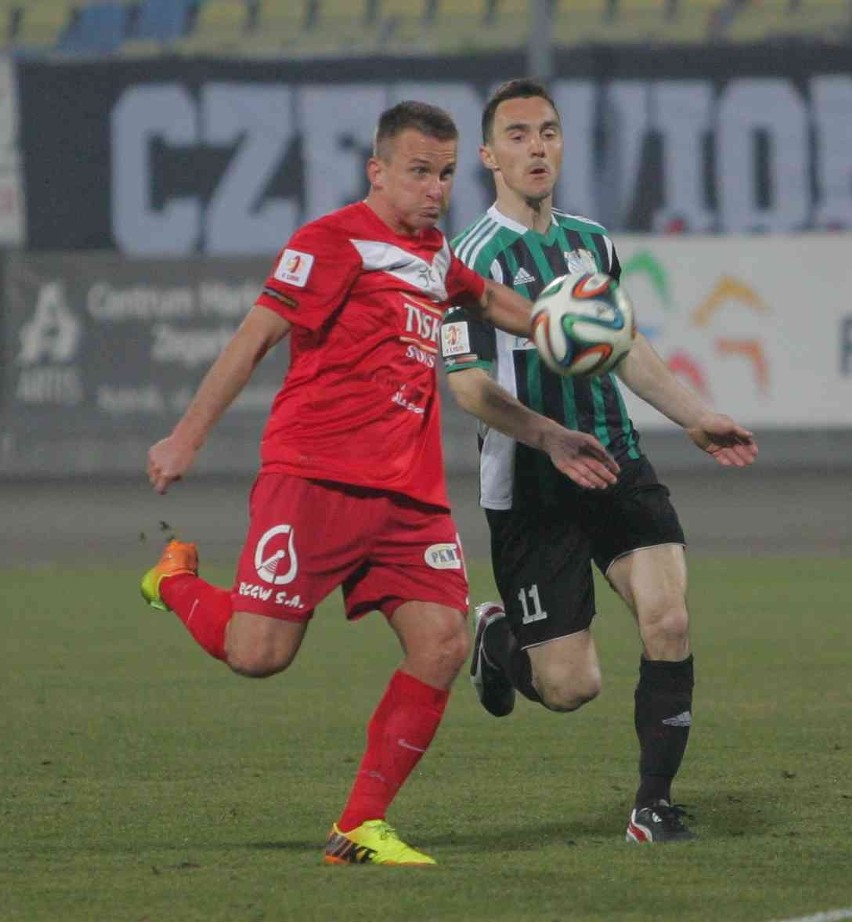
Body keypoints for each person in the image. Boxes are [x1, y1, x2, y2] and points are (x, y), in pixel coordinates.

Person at [140, 100, 618, 867]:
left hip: (409, 496)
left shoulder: (432, 255)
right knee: (258, 654)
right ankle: (173, 580)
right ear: (379, 171)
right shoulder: (330, 243)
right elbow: (255, 337)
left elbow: (492, 300)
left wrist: (564, 325)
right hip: (316, 477)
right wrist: (186, 436)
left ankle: (361, 823)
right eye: (419, 173)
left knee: (442, 641)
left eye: (448, 175)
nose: (436, 191)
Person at [439, 78, 758, 843]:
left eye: (547, 130)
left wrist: (695, 416)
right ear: (488, 155)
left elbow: (628, 349)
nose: (536, 145)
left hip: (615, 459)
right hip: (532, 486)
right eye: (516, 134)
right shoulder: (468, 261)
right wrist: (548, 435)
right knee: (570, 685)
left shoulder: (592, 241)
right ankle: (498, 640)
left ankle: (653, 804)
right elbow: (472, 389)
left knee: (669, 618)